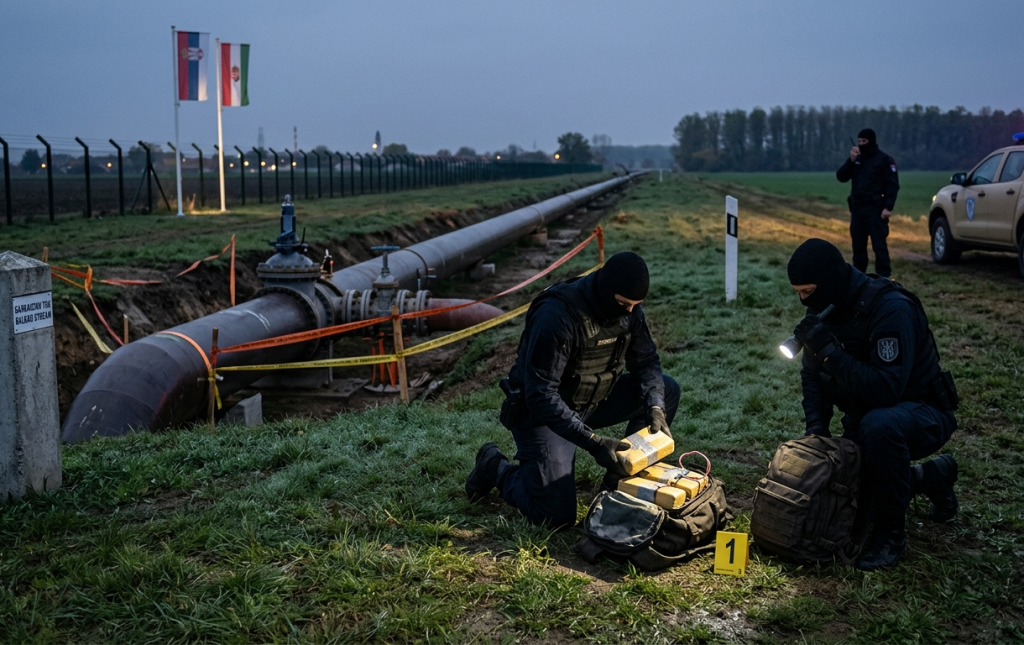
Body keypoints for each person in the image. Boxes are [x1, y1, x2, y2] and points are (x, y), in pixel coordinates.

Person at [465, 251, 680, 528]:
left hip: (594, 398)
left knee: (667, 390)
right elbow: (540, 394)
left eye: (635, 306)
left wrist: (655, 406)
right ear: (606, 290)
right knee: (554, 516)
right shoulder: (557, 315)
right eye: (623, 304)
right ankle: (494, 466)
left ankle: (618, 483)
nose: (629, 311)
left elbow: (646, 361)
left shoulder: (629, 310)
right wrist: (593, 442)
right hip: (544, 414)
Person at [787, 238, 959, 570]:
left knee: (881, 426)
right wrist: (817, 432)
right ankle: (931, 476)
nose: (803, 300)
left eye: (807, 291)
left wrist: (831, 353)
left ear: (829, 281)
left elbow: (886, 391)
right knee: (849, 490)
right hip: (866, 418)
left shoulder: (890, 309)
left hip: (921, 412)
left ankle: (890, 537)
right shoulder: (827, 305)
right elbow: (812, 376)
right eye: (798, 292)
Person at [837, 128, 900, 278]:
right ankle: (859, 277)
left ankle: (884, 278)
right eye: (859, 141)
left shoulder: (884, 160)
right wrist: (851, 161)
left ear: (871, 141)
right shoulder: (856, 160)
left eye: (864, 141)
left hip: (876, 209)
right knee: (858, 246)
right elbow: (841, 176)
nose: (861, 144)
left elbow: (892, 185)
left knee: (879, 247)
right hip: (858, 209)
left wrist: (888, 207)